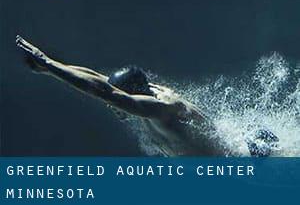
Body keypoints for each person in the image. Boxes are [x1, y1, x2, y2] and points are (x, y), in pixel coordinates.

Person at [15, 35, 278, 156]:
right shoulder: (146, 94)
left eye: (115, 101)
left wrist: (48, 64)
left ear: (132, 95)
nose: (110, 106)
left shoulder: (162, 109)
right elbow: (99, 80)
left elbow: (106, 92)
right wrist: (51, 68)